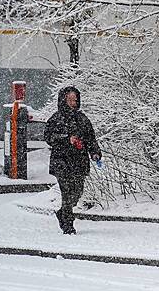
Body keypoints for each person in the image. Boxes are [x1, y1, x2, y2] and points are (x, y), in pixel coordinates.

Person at [44, 86, 101, 234]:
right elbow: (48, 138)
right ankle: (68, 225)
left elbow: (91, 139)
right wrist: (66, 139)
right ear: (63, 100)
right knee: (67, 193)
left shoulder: (82, 119)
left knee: (77, 193)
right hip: (61, 162)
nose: (73, 102)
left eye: (75, 99)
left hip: (79, 162)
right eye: (70, 99)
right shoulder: (56, 119)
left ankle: (62, 213)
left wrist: (95, 153)